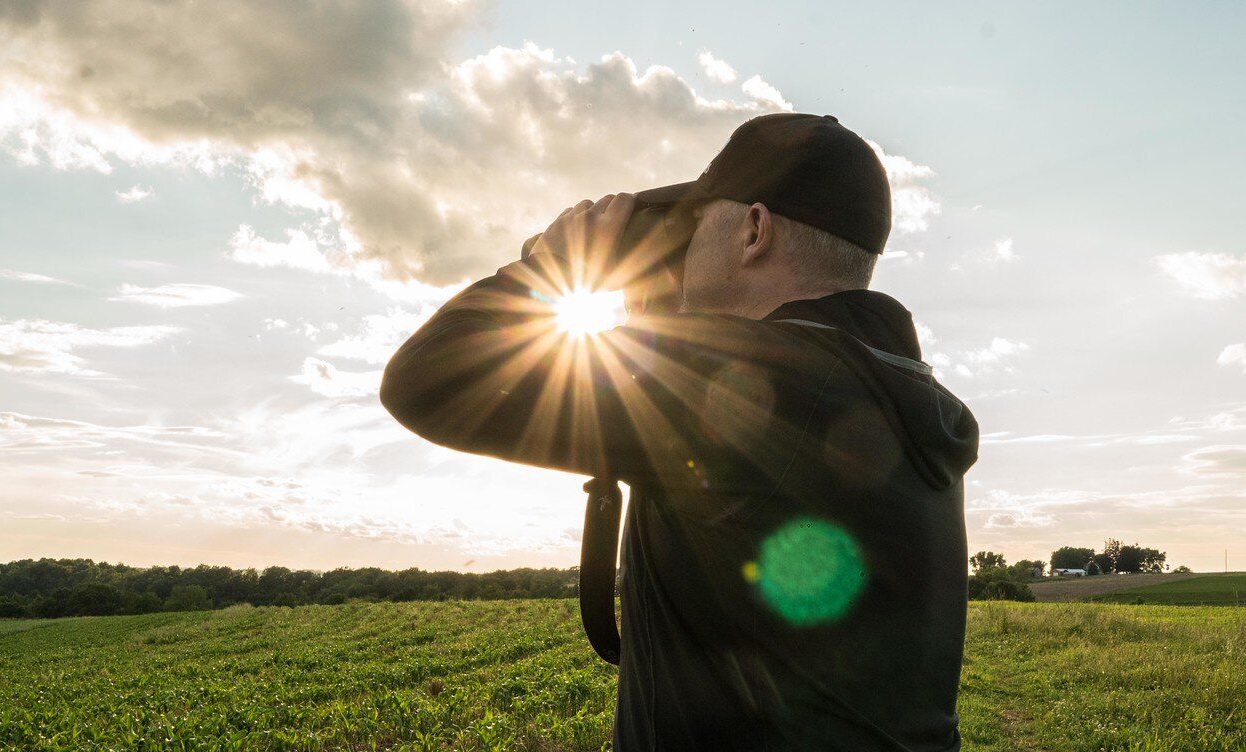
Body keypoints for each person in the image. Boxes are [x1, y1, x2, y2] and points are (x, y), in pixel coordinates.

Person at [381, 113, 979, 751]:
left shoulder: (748, 382)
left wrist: (551, 268)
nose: (681, 244)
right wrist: (669, 298)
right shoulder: (901, 395)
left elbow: (427, 381)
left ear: (754, 230)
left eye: (697, 225)